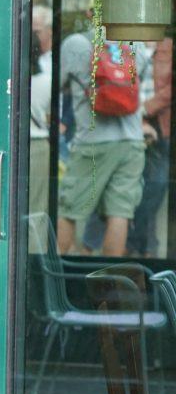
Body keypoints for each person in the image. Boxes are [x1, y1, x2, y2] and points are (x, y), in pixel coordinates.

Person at [57, 30, 148, 257]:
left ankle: (52, 277)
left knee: (70, 209)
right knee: (120, 213)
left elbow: (57, 83)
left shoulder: (77, 43)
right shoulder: (136, 42)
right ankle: (108, 286)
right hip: (132, 141)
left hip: (92, 142)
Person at [128, 36, 172, 257]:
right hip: (138, 122)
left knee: (156, 186)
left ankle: (141, 243)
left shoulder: (168, 47)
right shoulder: (131, 46)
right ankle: (141, 245)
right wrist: (141, 119)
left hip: (162, 123)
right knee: (142, 187)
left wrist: (146, 109)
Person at [28, 5, 53, 220]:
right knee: (36, 207)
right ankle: (35, 251)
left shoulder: (10, 82)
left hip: (12, 143)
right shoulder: (47, 81)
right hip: (39, 143)